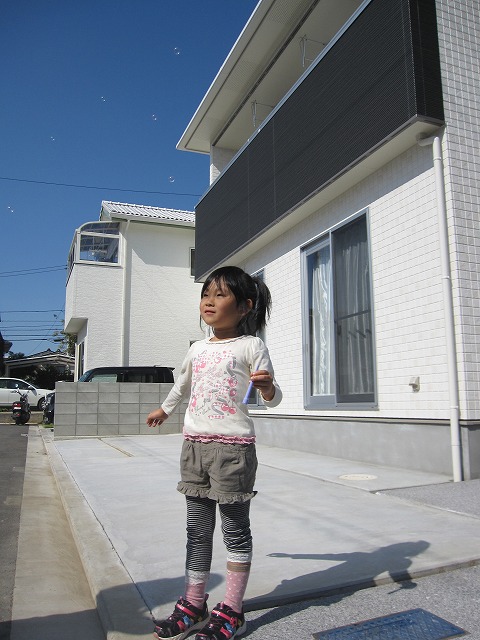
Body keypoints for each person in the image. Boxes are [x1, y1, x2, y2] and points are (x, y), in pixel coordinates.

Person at [146, 265, 282, 640]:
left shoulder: (252, 346)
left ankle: (233, 611)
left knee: (235, 531)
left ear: (244, 306)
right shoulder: (197, 348)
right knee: (197, 530)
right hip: (194, 447)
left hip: (233, 450)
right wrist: (165, 410)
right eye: (206, 293)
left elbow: (272, 398)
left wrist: (267, 388)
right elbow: (182, 385)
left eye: (220, 295)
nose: (209, 300)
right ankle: (194, 604)